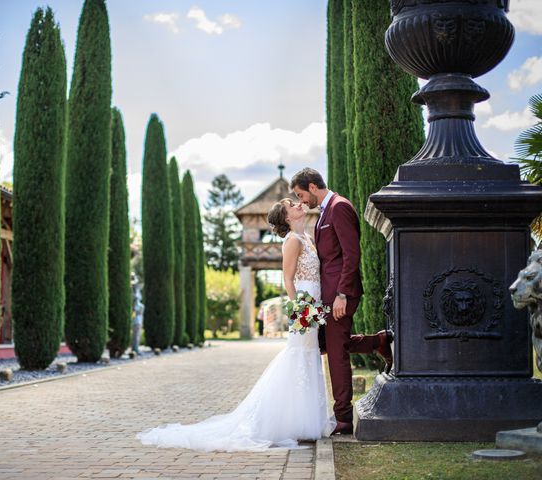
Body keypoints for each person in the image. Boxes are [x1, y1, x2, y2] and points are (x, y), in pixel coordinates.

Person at [136, 198, 335, 452]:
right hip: (305, 307)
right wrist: (299, 310)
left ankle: (306, 422)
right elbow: (288, 278)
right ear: (286, 218)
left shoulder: (307, 237)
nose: (297, 204)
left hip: (314, 304)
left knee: (309, 359)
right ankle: (291, 424)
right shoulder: (293, 241)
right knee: (300, 358)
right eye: (290, 205)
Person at [290, 167, 393, 435]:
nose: (301, 201)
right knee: (327, 344)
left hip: (340, 295)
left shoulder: (339, 207)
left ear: (313, 186)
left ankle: (344, 419)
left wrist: (343, 294)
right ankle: (379, 341)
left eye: (301, 194)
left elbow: (351, 254)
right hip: (324, 298)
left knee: (336, 353)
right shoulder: (324, 211)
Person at [131, 284, 144, 355]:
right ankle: (135, 349)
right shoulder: (136, 303)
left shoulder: (139, 304)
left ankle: (136, 348)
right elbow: (134, 311)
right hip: (136, 320)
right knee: (135, 336)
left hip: (139, 320)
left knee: (138, 336)